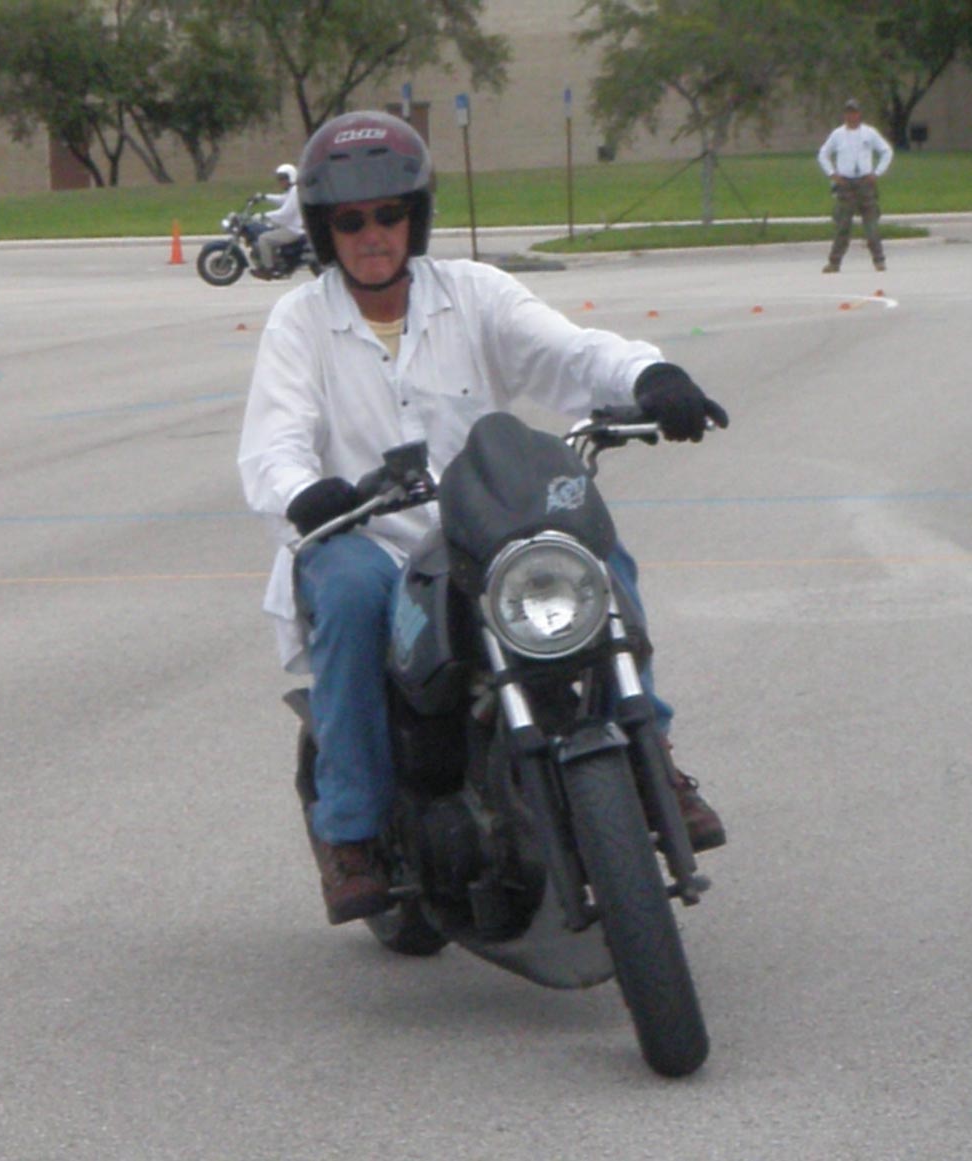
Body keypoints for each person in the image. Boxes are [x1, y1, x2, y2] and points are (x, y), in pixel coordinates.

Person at [238, 111, 730, 925]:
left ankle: (654, 762)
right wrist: (303, 491)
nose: (372, 234)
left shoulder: (474, 293)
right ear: (325, 231)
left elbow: (570, 351)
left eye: (388, 214)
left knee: (594, 555)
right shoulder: (301, 322)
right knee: (351, 596)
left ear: (415, 216)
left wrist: (651, 376)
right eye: (350, 221)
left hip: (478, 524)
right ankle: (351, 831)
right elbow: (274, 441)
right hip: (366, 535)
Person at [817, 98, 894, 273]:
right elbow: (823, 154)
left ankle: (879, 260)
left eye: (854, 112)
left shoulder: (869, 133)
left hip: (865, 183)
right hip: (845, 184)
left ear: (859, 114)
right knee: (842, 226)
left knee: (871, 226)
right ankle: (834, 262)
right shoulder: (837, 134)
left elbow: (886, 151)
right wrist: (832, 174)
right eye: (848, 112)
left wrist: (877, 172)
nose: (851, 116)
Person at [253, 162, 305, 278]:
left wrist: (263, 216)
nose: (280, 182)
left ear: (291, 177)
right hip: (292, 226)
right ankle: (275, 260)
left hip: (293, 229)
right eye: (279, 179)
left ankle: (268, 270)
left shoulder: (295, 191)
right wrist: (264, 197)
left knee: (263, 239)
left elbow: (285, 213)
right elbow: (282, 199)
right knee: (268, 231)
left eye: (283, 178)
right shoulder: (293, 191)